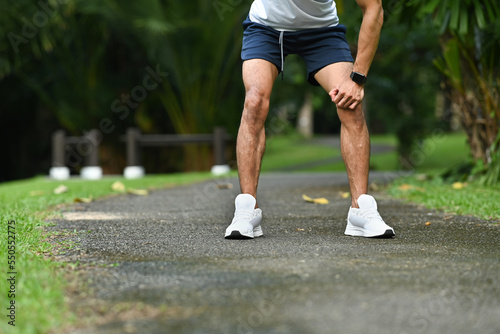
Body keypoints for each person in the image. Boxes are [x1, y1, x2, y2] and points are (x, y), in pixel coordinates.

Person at [224, 0, 395, 239]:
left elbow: (374, 7)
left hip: (322, 31)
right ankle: (246, 210)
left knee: (351, 107)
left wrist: (357, 79)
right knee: (254, 103)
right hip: (266, 28)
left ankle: (361, 210)